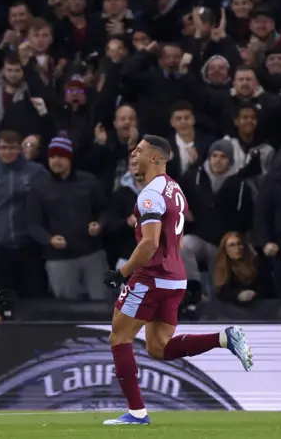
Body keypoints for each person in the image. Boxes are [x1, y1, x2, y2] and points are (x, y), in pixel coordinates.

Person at [101, 135, 254, 426]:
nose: (134, 153)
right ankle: (224, 338)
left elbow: (148, 244)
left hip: (151, 278)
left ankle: (136, 413)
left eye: (141, 150)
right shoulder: (175, 189)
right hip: (175, 278)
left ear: (156, 158)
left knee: (119, 337)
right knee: (158, 347)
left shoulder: (149, 195)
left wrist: (121, 273)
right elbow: (177, 238)